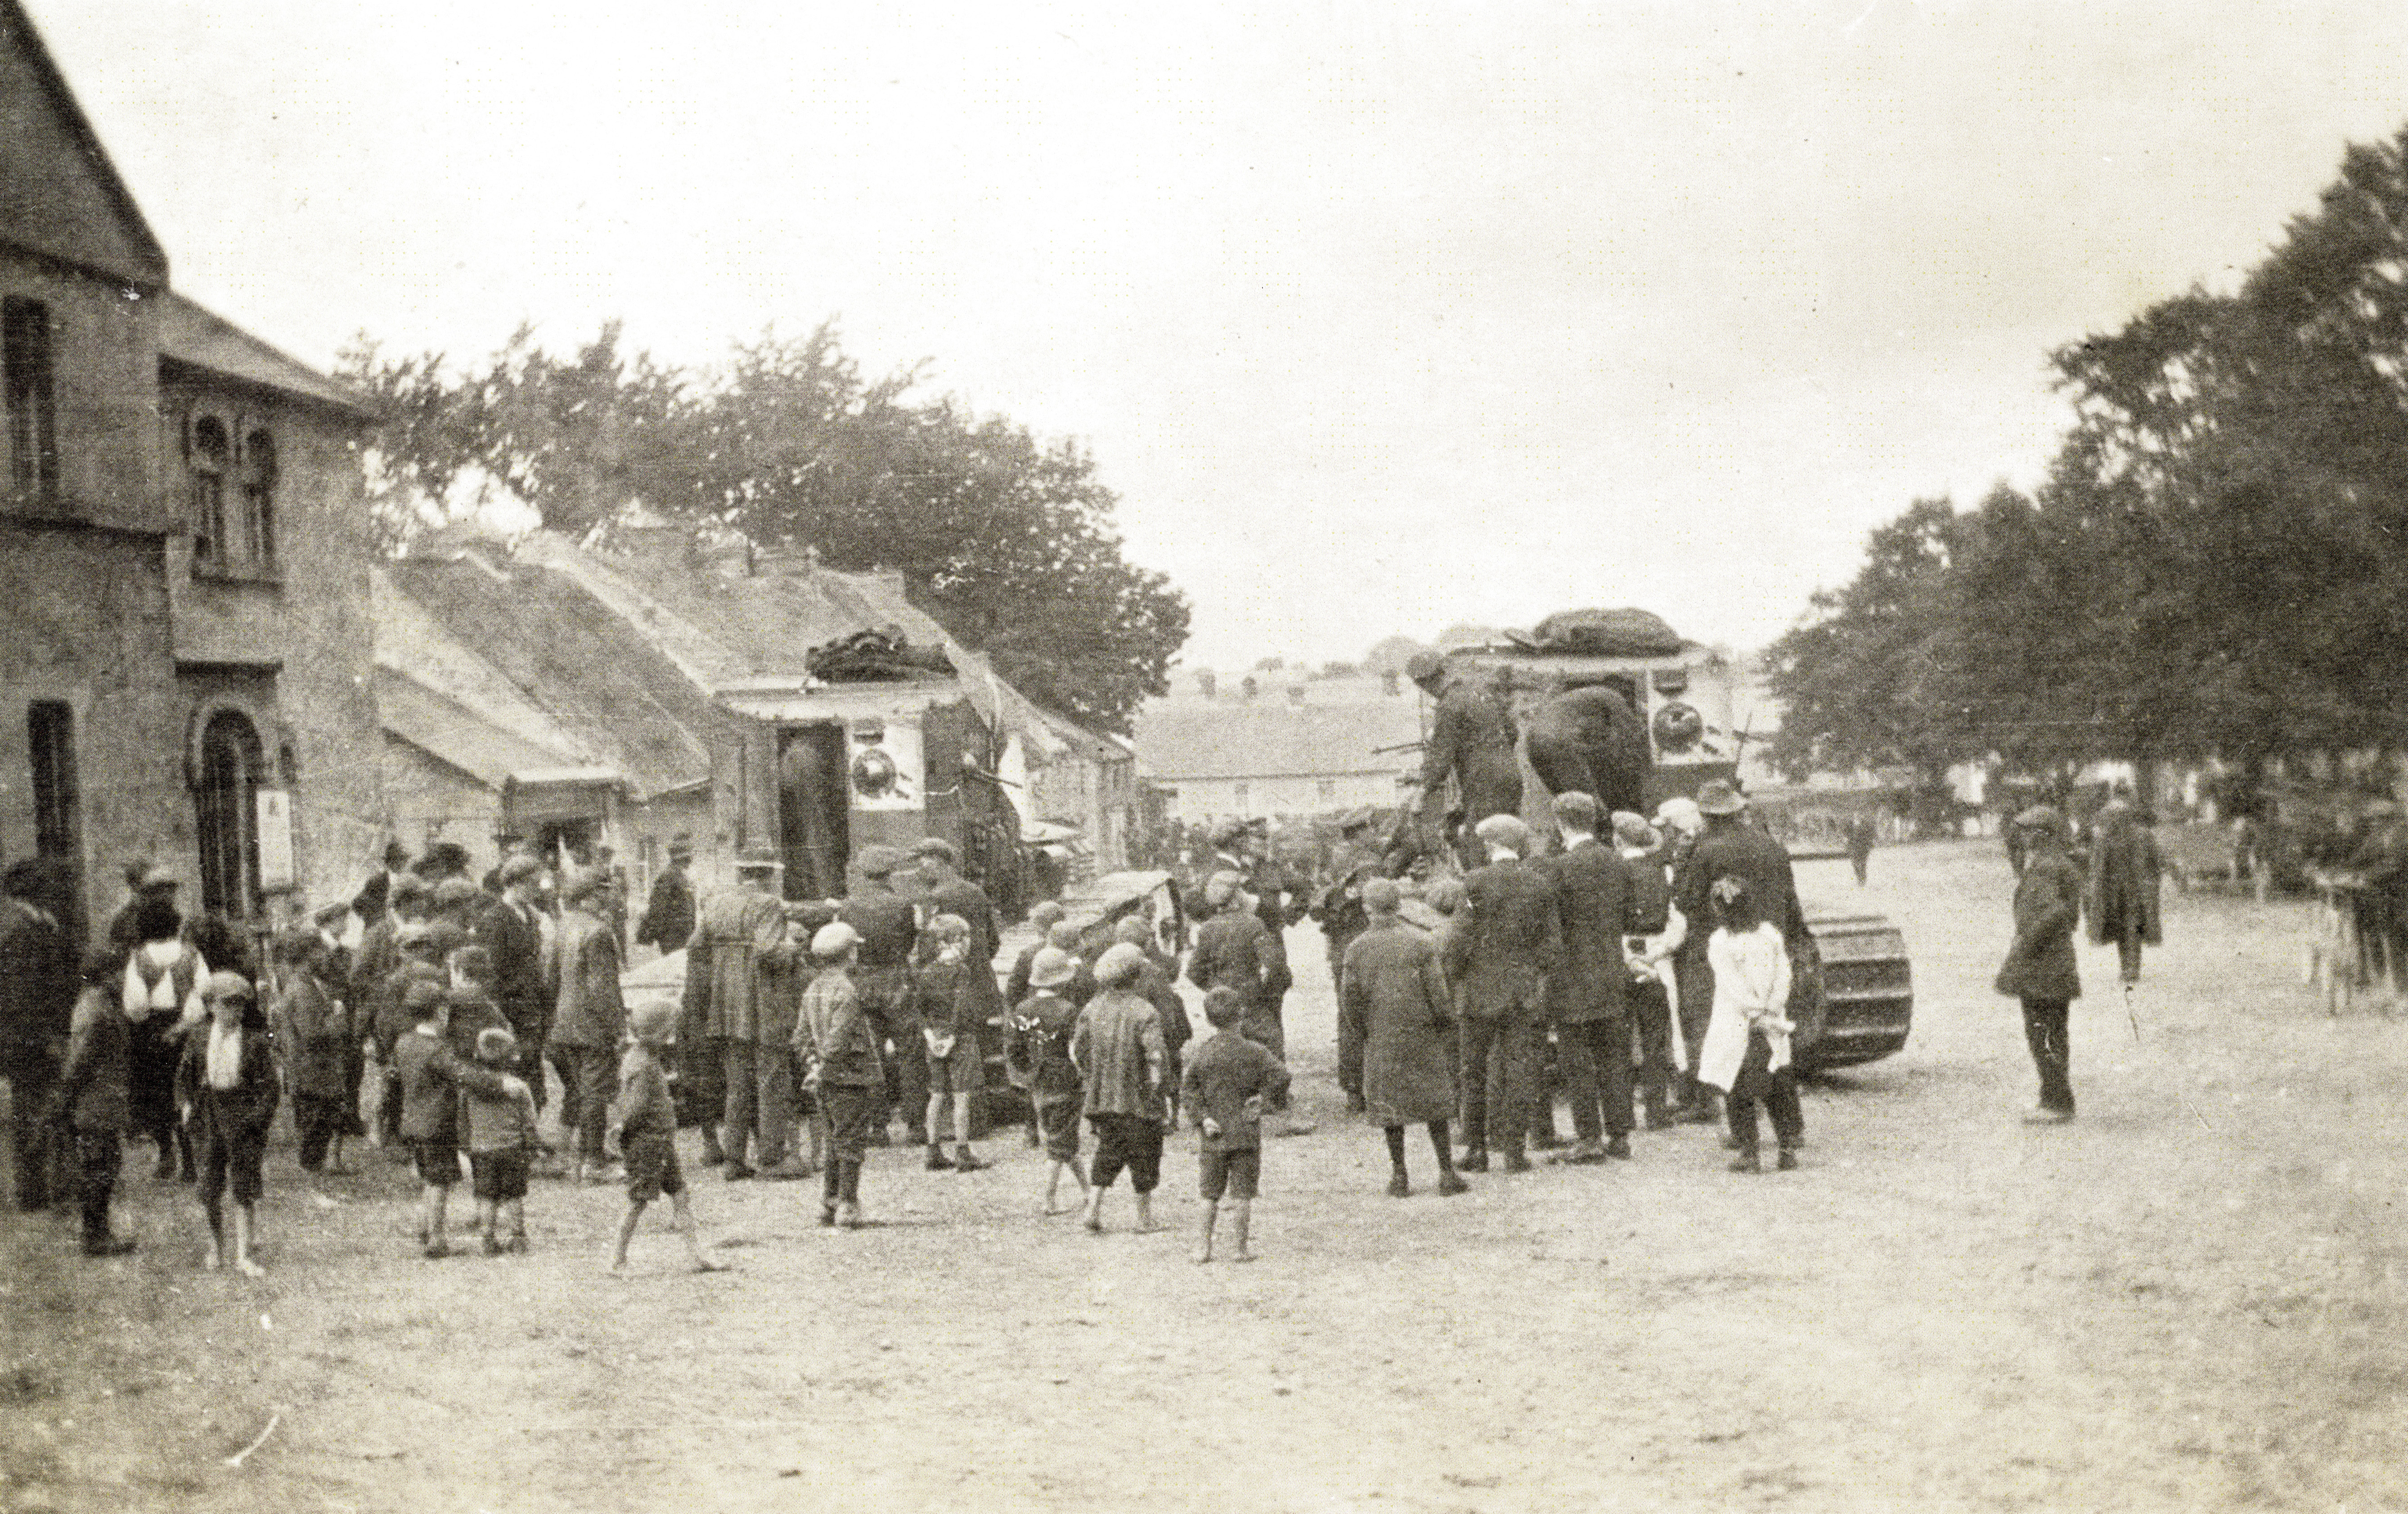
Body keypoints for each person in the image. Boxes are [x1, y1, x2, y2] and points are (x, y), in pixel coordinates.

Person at [1668, 780, 1805, 1124]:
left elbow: (1685, 902)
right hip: (1770, 946)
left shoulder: (1705, 851)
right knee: (1774, 1040)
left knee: (1724, 1038)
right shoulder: (1771, 845)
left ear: (1707, 815)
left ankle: (1731, 1120)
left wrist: (1683, 861)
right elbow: (1791, 899)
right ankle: (1791, 1127)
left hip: (1723, 950)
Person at [1444, 814, 1561, 1174]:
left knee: (1473, 1071)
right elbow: (1552, 945)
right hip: (1523, 992)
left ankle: (1477, 1149)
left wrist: (1456, 975)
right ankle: (1514, 1152)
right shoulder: (1539, 884)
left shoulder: (1474, 883)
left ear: (1491, 844)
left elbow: (1457, 941)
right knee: (1521, 1069)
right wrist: (1531, 972)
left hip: (1478, 993)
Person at [1538, 791, 1646, 1164]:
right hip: (1611, 973)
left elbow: (1549, 930)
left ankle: (1589, 1137)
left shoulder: (1558, 868)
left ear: (1561, 823)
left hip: (1571, 979)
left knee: (1577, 1060)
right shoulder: (1617, 862)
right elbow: (1633, 920)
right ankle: (1620, 1136)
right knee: (1614, 1057)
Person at [1339, 879, 1465, 1198]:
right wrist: (1444, 1022)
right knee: (1435, 1105)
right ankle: (1447, 1173)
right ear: (1399, 905)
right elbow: (1438, 992)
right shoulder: (1421, 943)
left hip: (1382, 1035)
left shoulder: (1356, 949)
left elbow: (1349, 1001)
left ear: (1366, 909)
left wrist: (1364, 1030)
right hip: (1422, 1032)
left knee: (1390, 1109)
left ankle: (1400, 1175)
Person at [395, 979, 528, 1257]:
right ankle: (436, 1239)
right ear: (440, 1014)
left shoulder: (405, 1042)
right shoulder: (436, 1050)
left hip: (413, 1122)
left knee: (428, 1179)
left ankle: (424, 1230)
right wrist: (500, 1084)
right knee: (439, 1182)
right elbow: (463, 1075)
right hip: (436, 1124)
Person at [689, 851, 790, 1181]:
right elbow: (769, 951)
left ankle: (734, 1159)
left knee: (737, 1083)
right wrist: (794, 952)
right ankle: (772, 1159)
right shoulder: (768, 905)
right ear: (767, 874)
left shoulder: (716, 902)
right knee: (772, 1079)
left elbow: (697, 943)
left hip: (726, 1002)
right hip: (761, 999)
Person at [608, 1000, 727, 1275]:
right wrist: (624, 1129)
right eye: (667, 1027)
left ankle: (697, 1256)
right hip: (649, 1142)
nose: (672, 1032)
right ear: (655, 1032)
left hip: (660, 1140)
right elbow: (635, 1107)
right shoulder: (645, 1066)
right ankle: (617, 1259)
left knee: (681, 1196)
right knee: (637, 1201)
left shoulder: (639, 1059)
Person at [174, 973, 280, 1275]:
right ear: (211, 1007)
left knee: (244, 1184)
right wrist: (185, 1107)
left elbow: (270, 1089)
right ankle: (216, 1244)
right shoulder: (197, 1039)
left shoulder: (255, 1042)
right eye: (227, 1005)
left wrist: (256, 1120)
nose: (235, 1012)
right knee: (209, 1185)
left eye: (240, 1006)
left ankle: (244, 1253)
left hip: (242, 1115)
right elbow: (183, 1079)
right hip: (209, 1114)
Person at [1698, 878, 1801, 1173]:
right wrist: (1772, 1008)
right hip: (1771, 1023)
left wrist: (1755, 1013)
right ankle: (1786, 1149)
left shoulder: (1721, 942)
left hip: (1740, 1023)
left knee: (1739, 1088)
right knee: (1777, 1084)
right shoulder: (1770, 934)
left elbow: (1733, 986)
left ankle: (1750, 1153)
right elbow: (1784, 974)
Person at [1182, 987, 1290, 1263]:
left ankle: (1203, 1248)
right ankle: (1240, 1249)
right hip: (1245, 1132)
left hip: (1213, 1135)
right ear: (1240, 1015)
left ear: (1208, 1019)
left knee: (1209, 1194)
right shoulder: (1255, 1051)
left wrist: (1202, 1117)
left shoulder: (1202, 1052)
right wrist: (1264, 1101)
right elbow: (1281, 1077)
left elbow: (1188, 1090)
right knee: (1243, 1194)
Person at [1072, 943, 1169, 1235]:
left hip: (1103, 1098)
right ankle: (1144, 1219)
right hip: (1139, 1100)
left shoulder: (1092, 1008)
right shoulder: (1145, 1012)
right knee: (1145, 1156)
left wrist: (1092, 1076)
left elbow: (1078, 1049)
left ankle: (1093, 1208)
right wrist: (1157, 1089)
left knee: (1108, 1151)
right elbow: (1155, 1057)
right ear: (1137, 977)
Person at [1997, 805, 2083, 1123]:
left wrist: (2026, 943)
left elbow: (2055, 913)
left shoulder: (2046, 868)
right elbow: (2070, 916)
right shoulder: (2062, 865)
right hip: (2056, 961)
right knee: (2054, 1032)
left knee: (2042, 1032)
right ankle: (2057, 1098)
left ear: (2042, 835)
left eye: (2028, 830)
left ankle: (2056, 1102)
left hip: (2041, 964)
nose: (2022, 835)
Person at [795, 921, 882, 1229]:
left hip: (824, 1078)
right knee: (851, 1142)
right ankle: (848, 1203)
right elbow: (839, 1039)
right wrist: (823, 1067)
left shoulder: (813, 990)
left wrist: (812, 1066)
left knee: (834, 1141)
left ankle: (828, 1203)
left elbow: (801, 1036)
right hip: (851, 1076)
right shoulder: (846, 991)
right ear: (849, 955)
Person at [0, 858, 75, 1210]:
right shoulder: (20, 929)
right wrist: (46, 1037)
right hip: (29, 1037)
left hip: (31, 1035)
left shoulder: (34, 922)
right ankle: (35, 1191)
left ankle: (41, 1187)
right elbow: (22, 993)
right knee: (35, 1109)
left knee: (35, 1108)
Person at [836, 846, 922, 1146]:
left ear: (863, 872)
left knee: (870, 1055)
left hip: (862, 982)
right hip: (897, 980)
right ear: (890, 873)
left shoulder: (848, 907)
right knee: (910, 1053)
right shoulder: (903, 905)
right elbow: (912, 941)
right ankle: (916, 1125)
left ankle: (878, 1127)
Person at [53, 951, 137, 1256]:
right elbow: (80, 1061)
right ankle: (95, 1235)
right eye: (119, 973)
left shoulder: (95, 1005)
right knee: (99, 1167)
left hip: (102, 1101)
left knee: (103, 1165)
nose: (124, 979)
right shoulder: (98, 1011)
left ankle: (98, 1232)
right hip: (96, 1102)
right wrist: (68, 1093)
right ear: (105, 976)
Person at [1409, 653, 1525, 872]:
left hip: (1483, 785)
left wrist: (1424, 790)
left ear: (1425, 683)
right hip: (1511, 775)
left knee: (1479, 852)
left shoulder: (1449, 705)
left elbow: (1442, 758)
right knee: (1511, 840)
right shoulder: (1483, 691)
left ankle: (1487, 902)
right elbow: (1513, 732)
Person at [122, 896, 208, 1181]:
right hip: (187, 1032)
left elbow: (134, 1006)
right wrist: (183, 1025)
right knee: (186, 1092)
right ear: (175, 926)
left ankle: (167, 1154)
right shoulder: (192, 954)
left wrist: (148, 1020)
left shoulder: (139, 958)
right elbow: (205, 993)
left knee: (157, 1096)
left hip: (151, 1032)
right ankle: (190, 1157)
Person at [551, 871, 628, 1184]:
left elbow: (551, 978)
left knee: (580, 1092)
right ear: (589, 897)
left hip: (565, 1022)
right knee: (595, 1094)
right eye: (603, 893)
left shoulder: (563, 927)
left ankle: (577, 1157)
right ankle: (594, 1163)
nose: (609, 898)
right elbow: (604, 989)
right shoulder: (599, 933)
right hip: (592, 1025)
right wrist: (619, 1029)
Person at [1613, 811, 1684, 1130]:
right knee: (1656, 1036)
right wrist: (1658, 954)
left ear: (1619, 839)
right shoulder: (1662, 872)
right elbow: (1677, 920)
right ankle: (1656, 1111)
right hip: (1658, 956)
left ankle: (1623, 1115)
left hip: (1623, 955)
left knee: (1620, 1040)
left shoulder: (1612, 871)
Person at [1006, 946, 1089, 1215]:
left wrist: (1022, 1074)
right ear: (1062, 980)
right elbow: (1077, 1049)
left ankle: (1088, 1189)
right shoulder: (1069, 1010)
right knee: (1060, 1142)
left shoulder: (1023, 1010)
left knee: (1062, 1137)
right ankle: (1049, 1198)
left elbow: (1014, 1047)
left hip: (1037, 1082)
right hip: (1066, 1080)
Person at [1312, 808, 1384, 1113]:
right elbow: (1377, 902)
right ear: (1361, 831)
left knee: (1348, 1017)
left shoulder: (1332, 862)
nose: (1374, 833)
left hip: (1340, 947)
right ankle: (1375, 1087)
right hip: (1365, 944)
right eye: (1370, 828)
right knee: (1377, 1014)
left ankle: (1353, 1091)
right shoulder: (1367, 862)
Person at [270, 929, 352, 1175]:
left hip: (313, 1071)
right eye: (320, 951)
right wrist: (339, 1020)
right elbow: (311, 1032)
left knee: (319, 1125)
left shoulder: (308, 984)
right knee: (315, 1127)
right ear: (308, 955)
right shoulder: (303, 989)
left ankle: (317, 1176)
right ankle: (314, 1181)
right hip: (313, 1072)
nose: (326, 956)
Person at [913, 913, 990, 1173]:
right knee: (961, 1096)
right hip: (960, 1038)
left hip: (933, 1038)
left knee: (936, 1095)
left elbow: (919, 1008)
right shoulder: (963, 969)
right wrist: (952, 1037)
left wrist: (930, 1035)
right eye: (966, 938)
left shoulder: (926, 972)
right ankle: (963, 1152)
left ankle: (932, 1151)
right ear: (956, 941)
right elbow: (963, 1006)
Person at [475, 855, 552, 1114]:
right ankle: (517, 1131)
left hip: (532, 1004)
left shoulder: (529, 916)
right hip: (509, 1008)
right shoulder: (497, 918)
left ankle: (533, 1130)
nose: (537, 889)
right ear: (515, 883)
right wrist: (498, 1014)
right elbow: (492, 972)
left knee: (532, 1065)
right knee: (513, 1067)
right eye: (532, 883)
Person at [1187, 872, 1289, 1059]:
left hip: (1224, 1006)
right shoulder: (1254, 924)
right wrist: (1263, 992)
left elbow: (1194, 972)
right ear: (1236, 896)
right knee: (1269, 1052)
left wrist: (1216, 989)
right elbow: (1274, 966)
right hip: (1253, 1002)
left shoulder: (1207, 929)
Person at [464, 1026, 539, 1255]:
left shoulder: (472, 1089)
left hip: (482, 1148)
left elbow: (465, 1117)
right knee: (515, 1194)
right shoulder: (520, 1088)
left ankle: (488, 1238)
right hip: (513, 1147)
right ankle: (518, 1236)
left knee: (487, 1196)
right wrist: (533, 1144)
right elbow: (529, 1120)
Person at [1523, 682, 1650, 819]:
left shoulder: (1598, 700)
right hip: (1555, 737)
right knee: (1586, 804)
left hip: (1534, 737)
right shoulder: (1618, 705)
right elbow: (1631, 761)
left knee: (1569, 798)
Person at [1113, 915, 1191, 1125]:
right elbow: (1167, 1004)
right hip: (1156, 1026)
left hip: (1136, 1028)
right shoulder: (1152, 968)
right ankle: (1169, 1113)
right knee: (1166, 1066)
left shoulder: (1113, 968)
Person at [2088, 788, 2163, 984]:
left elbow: (2157, 862)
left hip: (2137, 892)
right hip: (2114, 893)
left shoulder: (2143, 836)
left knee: (2133, 927)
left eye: (2118, 816)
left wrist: (2152, 884)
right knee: (2122, 930)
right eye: (2112, 817)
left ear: (2127, 817)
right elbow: (2097, 869)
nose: (2114, 821)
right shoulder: (2105, 840)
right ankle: (2126, 966)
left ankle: (2132, 967)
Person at [634, 835, 698, 960]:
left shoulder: (680, 876)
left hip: (682, 936)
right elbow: (657, 908)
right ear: (683, 858)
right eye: (689, 856)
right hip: (673, 937)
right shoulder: (668, 876)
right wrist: (646, 937)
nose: (691, 860)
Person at [1004, 900, 1068, 1009]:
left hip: (1034, 1013)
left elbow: (1013, 992)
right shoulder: (1074, 950)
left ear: (1040, 928)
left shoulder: (1029, 954)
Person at [1845, 814, 1878, 886]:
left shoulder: (1866, 825)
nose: (1858, 816)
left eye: (1859, 815)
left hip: (1863, 847)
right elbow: (1846, 833)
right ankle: (1859, 878)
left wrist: (1872, 841)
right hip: (1853, 847)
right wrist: (1846, 839)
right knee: (1855, 864)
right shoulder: (1850, 824)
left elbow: (1871, 834)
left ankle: (1863, 879)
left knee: (1863, 864)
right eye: (1856, 815)